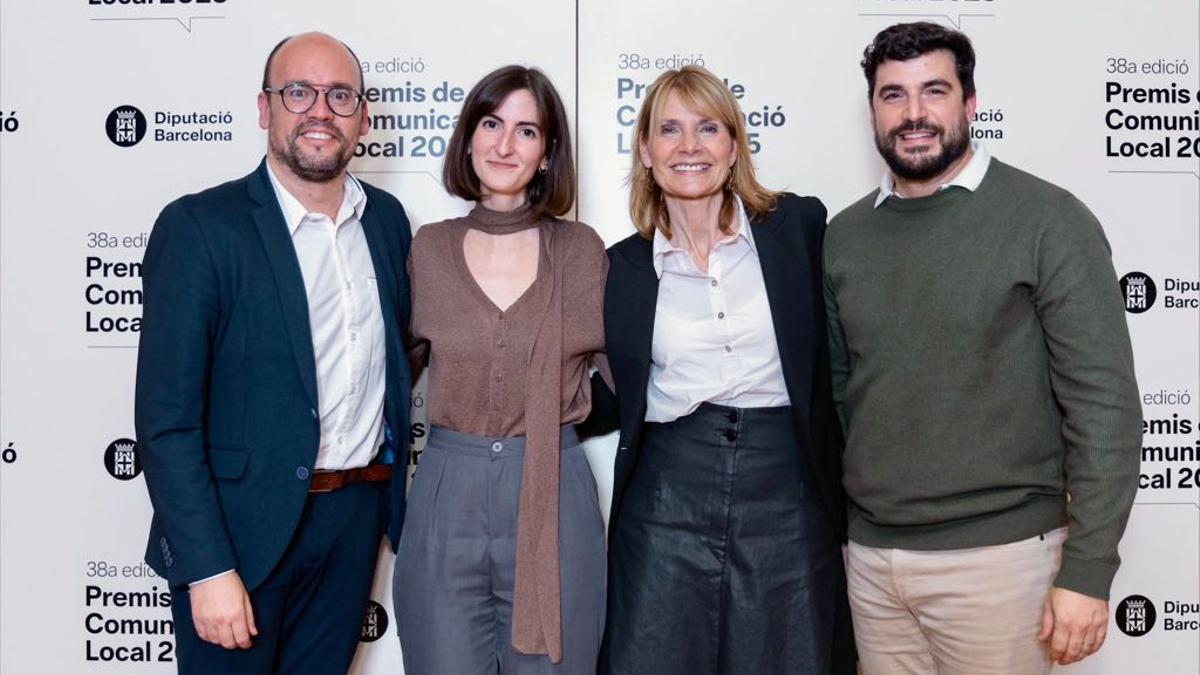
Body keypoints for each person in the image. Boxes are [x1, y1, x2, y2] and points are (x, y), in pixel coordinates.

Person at [824, 21, 1142, 674]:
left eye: (933, 91)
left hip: (1002, 564)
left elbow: (1105, 406)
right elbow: (839, 399)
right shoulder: (844, 236)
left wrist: (1088, 568)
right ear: (872, 112)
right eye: (893, 95)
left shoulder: (1047, 220)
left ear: (969, 104)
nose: (914, 113)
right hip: (875, 568)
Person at [135, 32, 413, 675]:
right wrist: (207, 567)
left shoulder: (388, 222)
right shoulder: (201, 228)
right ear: (265, 109)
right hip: (240, 532)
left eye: (340, 95)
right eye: (299, 92)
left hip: (352, 523)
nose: (321, 110)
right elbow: (166, 421)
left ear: (363, 117)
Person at [595, 65, 855, 675]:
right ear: (646, 150)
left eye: (708, 128)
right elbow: (602, 387)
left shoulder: (799, 229)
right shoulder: (620, 269)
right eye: (670, 130)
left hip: (788, 491)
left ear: (734, 146)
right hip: (665, 498)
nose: (689, 147)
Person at [394, 65, 608, 674]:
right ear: (468, 138)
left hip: (552, 489)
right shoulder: (428, 250)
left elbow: (637, 381)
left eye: (527, 131)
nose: (505, 144)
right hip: (445, 492)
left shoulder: (581, 251)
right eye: (491, 124)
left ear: (548, 154)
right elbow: (385, 382)